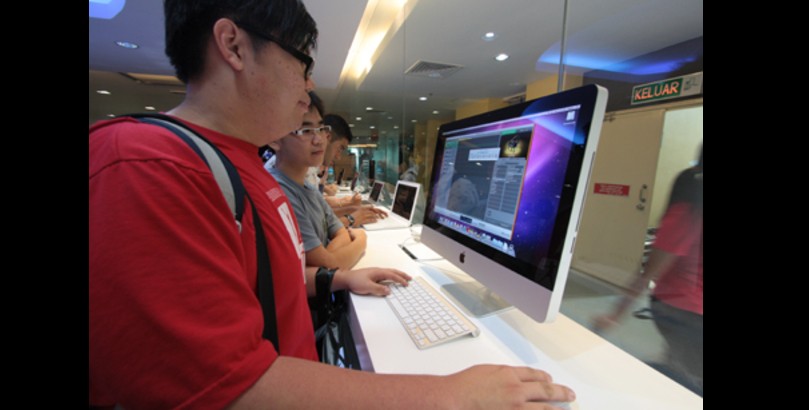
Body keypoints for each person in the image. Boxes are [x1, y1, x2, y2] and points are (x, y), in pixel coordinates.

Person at [89, 1, 576, 408]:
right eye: (302, 64)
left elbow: (260, 278)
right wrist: (445, 395)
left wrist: (338, 277)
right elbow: (225, 388)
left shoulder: (246, 169)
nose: (309, 88)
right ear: (234, 46)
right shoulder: (149, 166)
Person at [593, 149, 703, 395]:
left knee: (680, 370)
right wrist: (615, 314)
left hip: (685, 310)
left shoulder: (690, 199)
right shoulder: (691, 207)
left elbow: (651, 271)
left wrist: (615, 314)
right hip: (684, 311)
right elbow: (652, 269)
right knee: (688, 377)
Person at [266, 91, 366, 270]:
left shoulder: (308, 188)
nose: (319, 140)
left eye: (321, 129)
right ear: (274, 138)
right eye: (305, 130)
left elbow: (340, 234)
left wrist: (328, 256)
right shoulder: (278, 191)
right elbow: (329, 267)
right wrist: (361, 241)